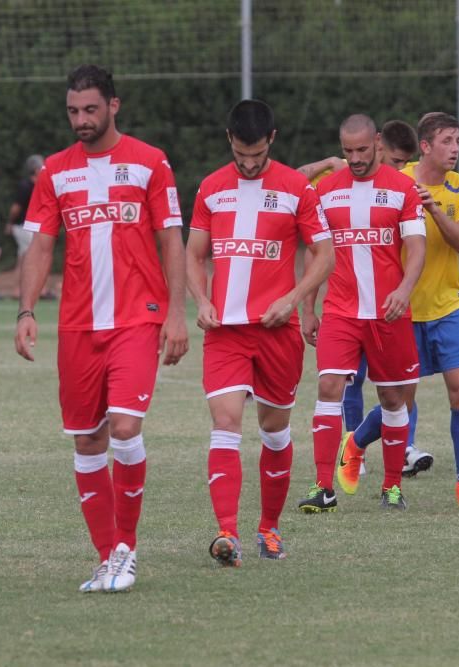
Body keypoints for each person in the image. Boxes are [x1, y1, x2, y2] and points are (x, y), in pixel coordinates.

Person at [14, 64, 188, 593]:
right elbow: (41, 245)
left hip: (138, 318)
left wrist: (177, 313)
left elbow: (171, 240)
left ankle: (126, 549)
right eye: (73, 111)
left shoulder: (150, 162)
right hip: (77, 325)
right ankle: (105, 554)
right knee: (87, 440)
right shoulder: (55, 172)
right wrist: (25, 311)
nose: (81, 120)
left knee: (126, 428)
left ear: (114, 105)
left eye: (91, 109)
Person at [186, 99, 334, 564]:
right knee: (226, 423)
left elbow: (324, 254)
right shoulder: (211, 188)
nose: (249, 165)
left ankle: (268, 528)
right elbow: (193, 255)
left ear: (271, 140)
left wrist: (292, 299)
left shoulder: (295, 188)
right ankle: (225, 533)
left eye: (257, 155)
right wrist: (203, 300)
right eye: (241, 155)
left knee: (274, 431)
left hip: (278, 331)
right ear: (229, 139)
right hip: (226, 331)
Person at [337, 112, 459, 510]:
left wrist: (434, 209)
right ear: (425, 146)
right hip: (401, 311)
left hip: (450, 306)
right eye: (447, 141)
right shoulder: (394, 184)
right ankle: (354, 443)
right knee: (398, 401)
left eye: (458, 140)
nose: (455, 149)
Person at [299, 113, 426, 512]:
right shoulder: (326, 191)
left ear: (378, 145)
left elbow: (418, 247)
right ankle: (324, 488)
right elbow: (316, 253)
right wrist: (308, 308)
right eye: (347, 150)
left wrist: (404, 290)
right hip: (341, 311)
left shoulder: (403, 188)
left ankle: (391, 487)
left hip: (388, 313)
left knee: (392, 398)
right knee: (328, 388)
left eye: (361, 150)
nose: (354, 158)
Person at [6, 154, 54, 299]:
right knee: (35, 256)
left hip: (33, 227)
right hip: (24, 227)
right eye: (41, 167)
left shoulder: (43, 184)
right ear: (34, 169)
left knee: (23, 258)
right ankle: (41, 290)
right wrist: (10, 222)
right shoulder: (25, 186)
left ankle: (17, 290)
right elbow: (16, 208)